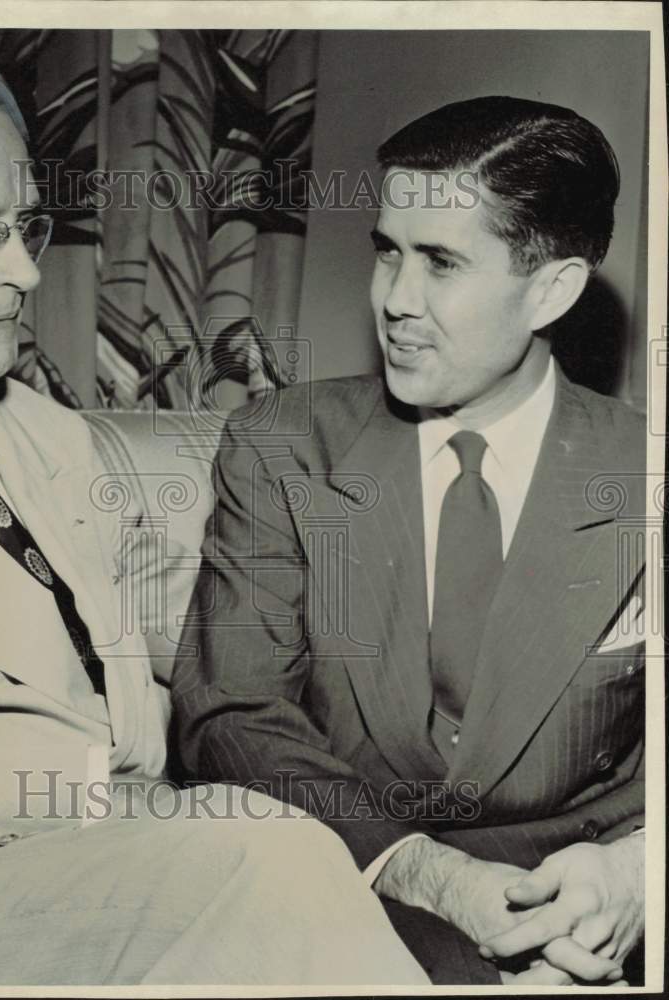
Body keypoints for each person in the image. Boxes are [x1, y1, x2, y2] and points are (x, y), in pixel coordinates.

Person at [0, 48, 429, 987]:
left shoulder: (46, 437)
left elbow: (206, 648)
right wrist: (71, 778)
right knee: (257, 851)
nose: (24, 272)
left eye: (26, 227)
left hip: (110, 864)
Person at [172, 96, 646, 986]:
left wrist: (632, 878)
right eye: (387, 252)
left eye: (440, 263)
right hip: (342, 881)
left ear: (552, 288)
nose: (393, 299)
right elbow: (230, 714)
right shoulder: (279, 444)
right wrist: (430, 875)